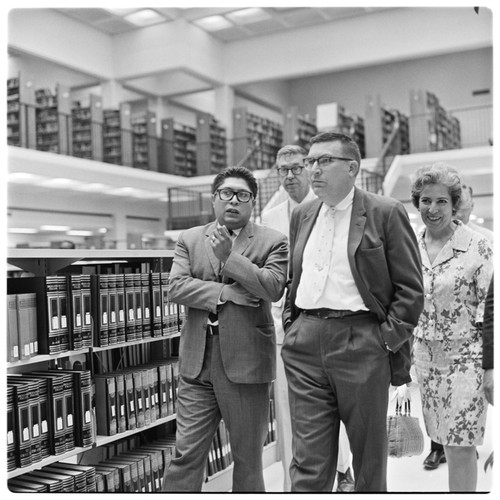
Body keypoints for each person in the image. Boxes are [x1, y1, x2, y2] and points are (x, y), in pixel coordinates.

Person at [281, 131, 424, 492]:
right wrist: (292, 325)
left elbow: (410, 290)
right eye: (310, 161)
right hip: (305, 343)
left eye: (324, 161)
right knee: (308, 461)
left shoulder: (385, 212)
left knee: (367, 463)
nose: (312, 169)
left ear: (353, 168)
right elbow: (294, 278)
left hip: (362, 342)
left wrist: (384, 341)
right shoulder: (302, 214)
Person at [162, 166, 288, 492]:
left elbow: (272, 287)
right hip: (197, 363)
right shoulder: (189, 239)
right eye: (226, 193)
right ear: (214, 199)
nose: (233, 201)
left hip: (247, 365)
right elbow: (176, 287)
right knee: (185, 455)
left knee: (247, 460)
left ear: (252, 203)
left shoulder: (273, 242)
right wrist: (224, 293)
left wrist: (230, 257)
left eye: (242, 195)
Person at [261, 144, 354, 492]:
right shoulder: (270, 218)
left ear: (310, 168)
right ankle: (293, 484)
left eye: (296, 168)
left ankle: (343, 468)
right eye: (281, 169)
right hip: (287, 327)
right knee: (294, 411)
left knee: (337, 404)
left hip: (332, 322)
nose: (288, 176)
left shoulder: (332, 207)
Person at [410, 162, 493, 492]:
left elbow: (491, 309)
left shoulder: (478, 246)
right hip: (425, 362)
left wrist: (490, 368)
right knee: (442, 440)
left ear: (455, 204)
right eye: (425, 200)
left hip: (466, 361)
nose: (432, 209)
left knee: (460, 446)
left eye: (441, 201)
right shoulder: (408, 245)